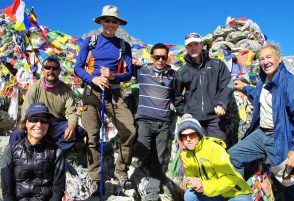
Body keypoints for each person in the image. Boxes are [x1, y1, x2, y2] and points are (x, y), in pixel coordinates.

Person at [74, 5, 136, 193]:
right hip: (91, 93)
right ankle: (95, 178)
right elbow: (78, 68)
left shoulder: (124, 46)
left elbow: (128, 73)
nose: (110, 24)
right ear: (101, 22)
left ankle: (121, 170)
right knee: (92, 136)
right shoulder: (89, 42)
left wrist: (112, 77)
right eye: (107, 20)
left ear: (118, 24)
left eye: (114, 21)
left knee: (130, 131)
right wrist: (93, 78)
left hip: (114, 94)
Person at [228, 42, 294, 200]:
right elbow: (259, 94)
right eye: (261, 58)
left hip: (279, 138)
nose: (265, 61)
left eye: (269, 57)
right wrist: (244, 88)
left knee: (290, 183)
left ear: (279, 59)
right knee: (233, 156)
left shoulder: (291, 83)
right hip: (261, 134)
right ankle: (242, 196)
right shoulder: (264, 79)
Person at [9, 56, 84, 152]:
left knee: (78, 131)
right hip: (38, 122)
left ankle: (54, 154)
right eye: (48, 68)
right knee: (17, 134)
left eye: (55, 68)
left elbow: (72, 112)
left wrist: (71, 126)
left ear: (59, 71)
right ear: (42, 70)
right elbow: (26, 110)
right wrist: (25, 125)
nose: (51, 71)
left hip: (56, 124)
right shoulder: (34, 87)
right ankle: (13, 157)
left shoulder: (66, 90)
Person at [177, 114, 252, 201]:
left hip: (234, 193)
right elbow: (193, 180)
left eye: (192, 135)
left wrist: (204, 186)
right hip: (212, 193)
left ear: (199, 135)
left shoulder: (214, 148)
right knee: (189, 195)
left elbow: (231, 179)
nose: (188, 139)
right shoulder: (185, 154)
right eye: (184, 136)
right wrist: (191, 184)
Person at [134, 43, 175, 201]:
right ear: (151, 57)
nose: (160, 60)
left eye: (163, 57)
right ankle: (143, 162)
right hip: (145, 120)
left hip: (163, 122)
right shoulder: (142, 71)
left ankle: (152, 192)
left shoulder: (172, 75)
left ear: (167, 58)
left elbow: (177, 94)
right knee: (141, 149)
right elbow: (122, 70)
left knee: (159, 158)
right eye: (156, 57)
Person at [1, 102, 65, 200]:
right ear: (26, 123)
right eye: (34, 119)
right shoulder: (10, 151)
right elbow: (7, 191)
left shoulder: (56, 153)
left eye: (44, 120)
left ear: (48, 125)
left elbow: (58, 190)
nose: (39, 124)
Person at [174, 33, 231, 141]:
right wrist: (185, 112)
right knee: (196, 152)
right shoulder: (182, 71)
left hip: (215, 118)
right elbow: (176, 95)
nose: (193, 48)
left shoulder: (217, 64)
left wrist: (221, 104)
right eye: (190, 45)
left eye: (196, 44)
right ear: (186, 48)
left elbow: (228, 84)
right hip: (193, 119)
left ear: (202, 45)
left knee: (217, 150)